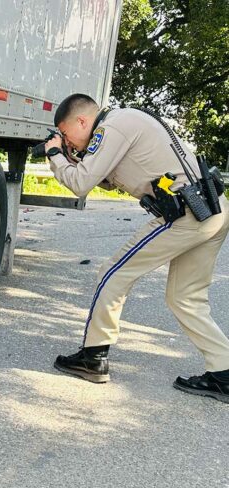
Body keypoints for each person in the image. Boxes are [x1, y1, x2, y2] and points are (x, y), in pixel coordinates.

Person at [43, 93, 229, 404]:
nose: (66, 141)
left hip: (187, 214)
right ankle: (224, 373)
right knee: (185, 297)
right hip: (212, 210)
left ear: (82, 121)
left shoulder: (111, 127)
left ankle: (93, 357)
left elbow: (80, 184)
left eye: (65, 133)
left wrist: (54, 155)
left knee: (113, 274)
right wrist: (70, 157)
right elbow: (105, 179)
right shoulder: (123, 122)